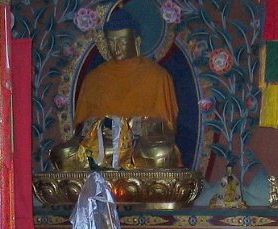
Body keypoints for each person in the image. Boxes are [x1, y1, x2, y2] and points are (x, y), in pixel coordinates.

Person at [49, 10, 180, 171]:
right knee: (63, 154)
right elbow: (81, 132)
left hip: (139, 149)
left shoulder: (158, 77)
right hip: (103, 149)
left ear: (136, 41)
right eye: (111, 42)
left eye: (122, 42)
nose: (116, 48)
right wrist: (102, 128)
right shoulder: (94, 78)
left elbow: (167, 129)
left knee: (159, 154)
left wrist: (134, 127)